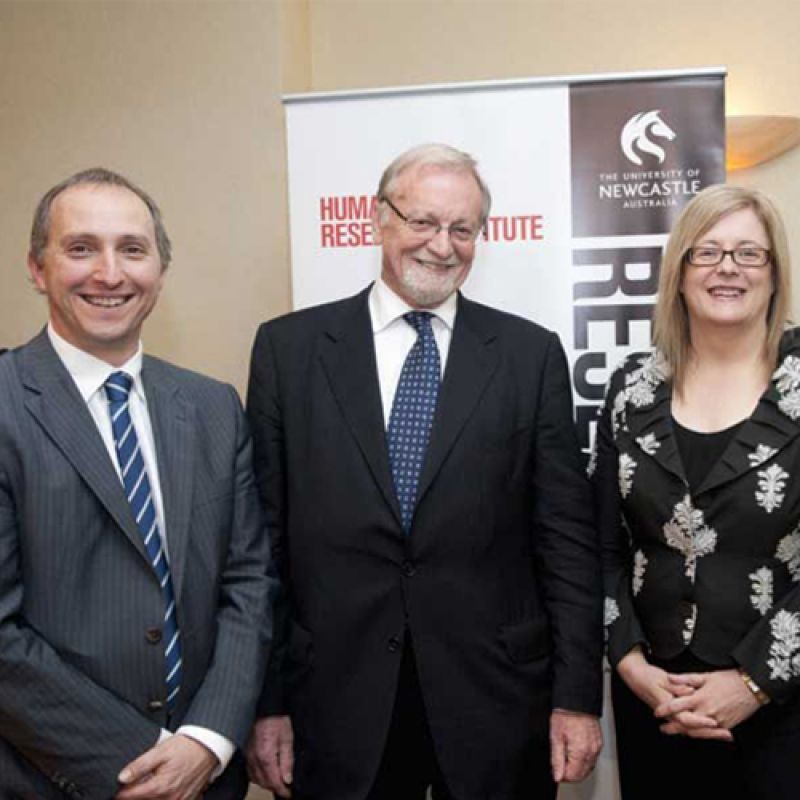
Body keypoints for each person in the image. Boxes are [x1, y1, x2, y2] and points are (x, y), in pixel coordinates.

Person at [245, 143, 603, 800]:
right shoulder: (288, 351)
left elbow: (568, 542)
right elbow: (261, 546)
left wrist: (578, 699)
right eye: (423, 221)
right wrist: (266, 704)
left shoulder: (530, 356)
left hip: (497, 700)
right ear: (378, 219)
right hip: (335, 704)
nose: (442, 245)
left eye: (461, 229)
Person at [0, 168, 274, 800]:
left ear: (159, 269)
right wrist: (146, 759)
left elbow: (248, 582)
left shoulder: (211, 406)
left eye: (132, 249)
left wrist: (207, 739)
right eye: (80, 248)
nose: (109, 273)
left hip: (206, 773)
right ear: (37, 268)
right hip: (54, 778)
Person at [593, 184, 800, 800]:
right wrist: (628, 664)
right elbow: (599, 546)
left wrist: (754, 683)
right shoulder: (631, 391)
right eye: (706, 253)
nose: (727, 269)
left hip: (783, 708)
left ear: (774, 272)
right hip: (654, 703)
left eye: (748, 253)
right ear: (678, 273)